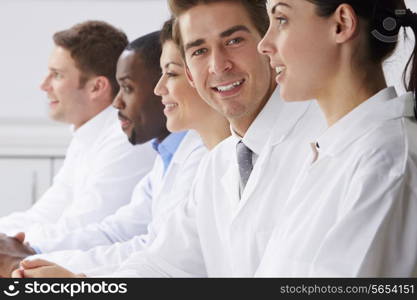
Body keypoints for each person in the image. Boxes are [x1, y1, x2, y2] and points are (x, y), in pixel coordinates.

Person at [14, 0, 329, 278]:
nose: (218, 65)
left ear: (267, 46)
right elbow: (163, 264)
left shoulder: (320, 146)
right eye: (199, 51)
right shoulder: (221, 163)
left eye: (234, 40)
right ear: (192, 71)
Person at [11, 24, 230, 278]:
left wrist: (47, 267)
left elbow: (160, 257)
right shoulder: (167, 154)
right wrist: (32, 257)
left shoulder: (199, 155)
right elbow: (126, 235)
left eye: (171, 74)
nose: (161, 90)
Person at [255, 0, 417, 276]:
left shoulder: (385, 164)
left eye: (281, 19)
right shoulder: (339, 152)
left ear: (341, 23)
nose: (264, 44)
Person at [0, 21, 156, 277]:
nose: (44, 85)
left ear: (97, 87)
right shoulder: (86, 135)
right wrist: (8, 238)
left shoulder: (125, 139)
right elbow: (47, 210)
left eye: (57, 75)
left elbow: (85, 222)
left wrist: (21, 250)